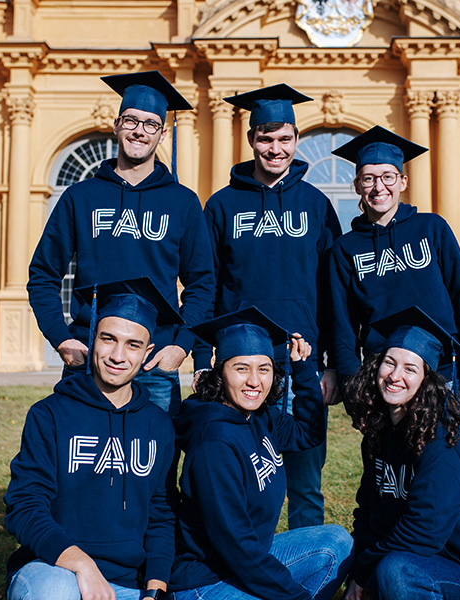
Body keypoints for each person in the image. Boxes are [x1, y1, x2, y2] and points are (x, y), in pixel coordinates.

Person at [328, 126, 460, 597]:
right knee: (391, 485)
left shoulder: (433, 230)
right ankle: (406, 577)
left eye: (388, 176)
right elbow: (344, 333)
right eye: (368, 178)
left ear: (403, 180)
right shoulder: (345, 251)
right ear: (356, 185)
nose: (378, 186)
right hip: (387, 385)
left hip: (444, 382)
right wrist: (354, 396)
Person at [192, 84, 343, 529]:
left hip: (300, 366)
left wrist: (329, 366)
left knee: (304, 485)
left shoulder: (316, 205)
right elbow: (208, 284)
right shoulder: (221, 206)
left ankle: (307, 581)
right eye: (265, 138)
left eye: (284, 139)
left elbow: (333, 293)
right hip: (240, 366)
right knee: (233, 480)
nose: (274, 149)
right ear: (251, 139)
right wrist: (204, 359)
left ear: (296, 140)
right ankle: (238, 575)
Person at [28, 70, 215, 415]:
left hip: (154, 360)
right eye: (131, 121)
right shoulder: (80, 197)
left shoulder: (183, 202)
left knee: (155, 466)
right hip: (88, 354)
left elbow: (202, 283)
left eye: (150, 124)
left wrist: (181, 346)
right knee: (79, 464)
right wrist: (62, 338)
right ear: (116, 126)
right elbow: (42, 274)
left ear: (161, 135)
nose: (139, 131)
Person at [4, 278, 181, 600]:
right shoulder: (49, 415)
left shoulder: (159, 425)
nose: (117, 355)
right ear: (92, 339)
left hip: (128, 585)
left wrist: (155, 587)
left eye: (132, 345)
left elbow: (161, 513)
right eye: (108, 339)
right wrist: (82, 565)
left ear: (147, 353)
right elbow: (24, 506)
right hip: (56, 570)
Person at [173, 307, 353, 600]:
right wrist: (296, 596)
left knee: (336, 542)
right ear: (221, 373)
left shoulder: (258, 418)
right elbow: (235, 544)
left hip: (251, 557)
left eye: (264, 369)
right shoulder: (214, 444)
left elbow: (308, 434)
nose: (254, 381)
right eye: (241, 368)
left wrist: (304, 370)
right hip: (206, 581)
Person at [342, 306, 460, 600]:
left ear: (426, 380)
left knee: (398, 572)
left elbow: (424, 532)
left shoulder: (440, 442)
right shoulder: (378, 434)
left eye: (410, 369)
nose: (395, 376)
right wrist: (355, 575)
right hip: (401, 559)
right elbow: (368, 511)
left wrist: (363, 573)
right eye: (389, 363)